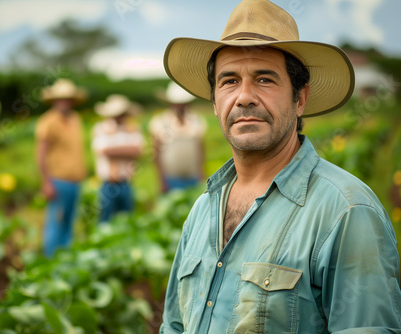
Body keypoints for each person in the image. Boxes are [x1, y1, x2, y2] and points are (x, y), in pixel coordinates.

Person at [160, 0, 401, 333]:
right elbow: (173, 325)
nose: (244, 97)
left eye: (264, 80)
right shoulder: (203, 210)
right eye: (229, 81)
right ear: (215, 102)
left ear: (299, 99)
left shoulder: (346, 212)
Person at [35, 78, 87, 257]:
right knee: (56, 224)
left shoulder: (75, 119)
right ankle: (50, 262)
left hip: (74, 182)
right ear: (54, 101)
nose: (64, 102)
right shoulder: (48, 121)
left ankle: (64, 262)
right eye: (61, 99)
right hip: (57, 182)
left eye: (68, 99)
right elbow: (40, 155)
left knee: (69, 224)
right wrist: (46, 183)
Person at [92, 94, 144, 222]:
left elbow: (138, 151)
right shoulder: (100, 128)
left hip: (126, 181)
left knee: (126, 220)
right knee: (105, 219)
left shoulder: (133, 128)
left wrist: (115, 149)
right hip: (108, 183)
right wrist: (127, 150)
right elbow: (104, 151)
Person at [149, 82, 207, 193]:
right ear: (170, 103)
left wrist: (202, 173)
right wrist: (161, 180)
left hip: (193, 177)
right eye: (177, 103)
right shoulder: (160, 122)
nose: (180, 106)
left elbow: (200, 149)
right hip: (170, 179)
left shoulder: (197, 120)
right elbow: (156, 153)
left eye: (183, 103)